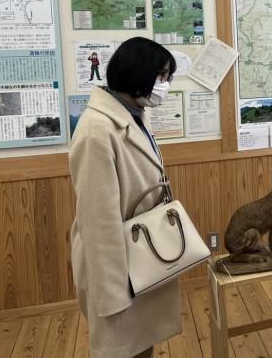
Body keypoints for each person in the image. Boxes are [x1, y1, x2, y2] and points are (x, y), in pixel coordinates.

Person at [69, 37, 180, 358]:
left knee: (140, 343)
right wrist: (112, 296)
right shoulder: (96, 132)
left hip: (141, 250)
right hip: (117, 263)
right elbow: (98, 221)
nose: (164, 85)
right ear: (138, 73)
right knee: (120, 347)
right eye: (161, 77)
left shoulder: (132, 113)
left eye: (167, 78)